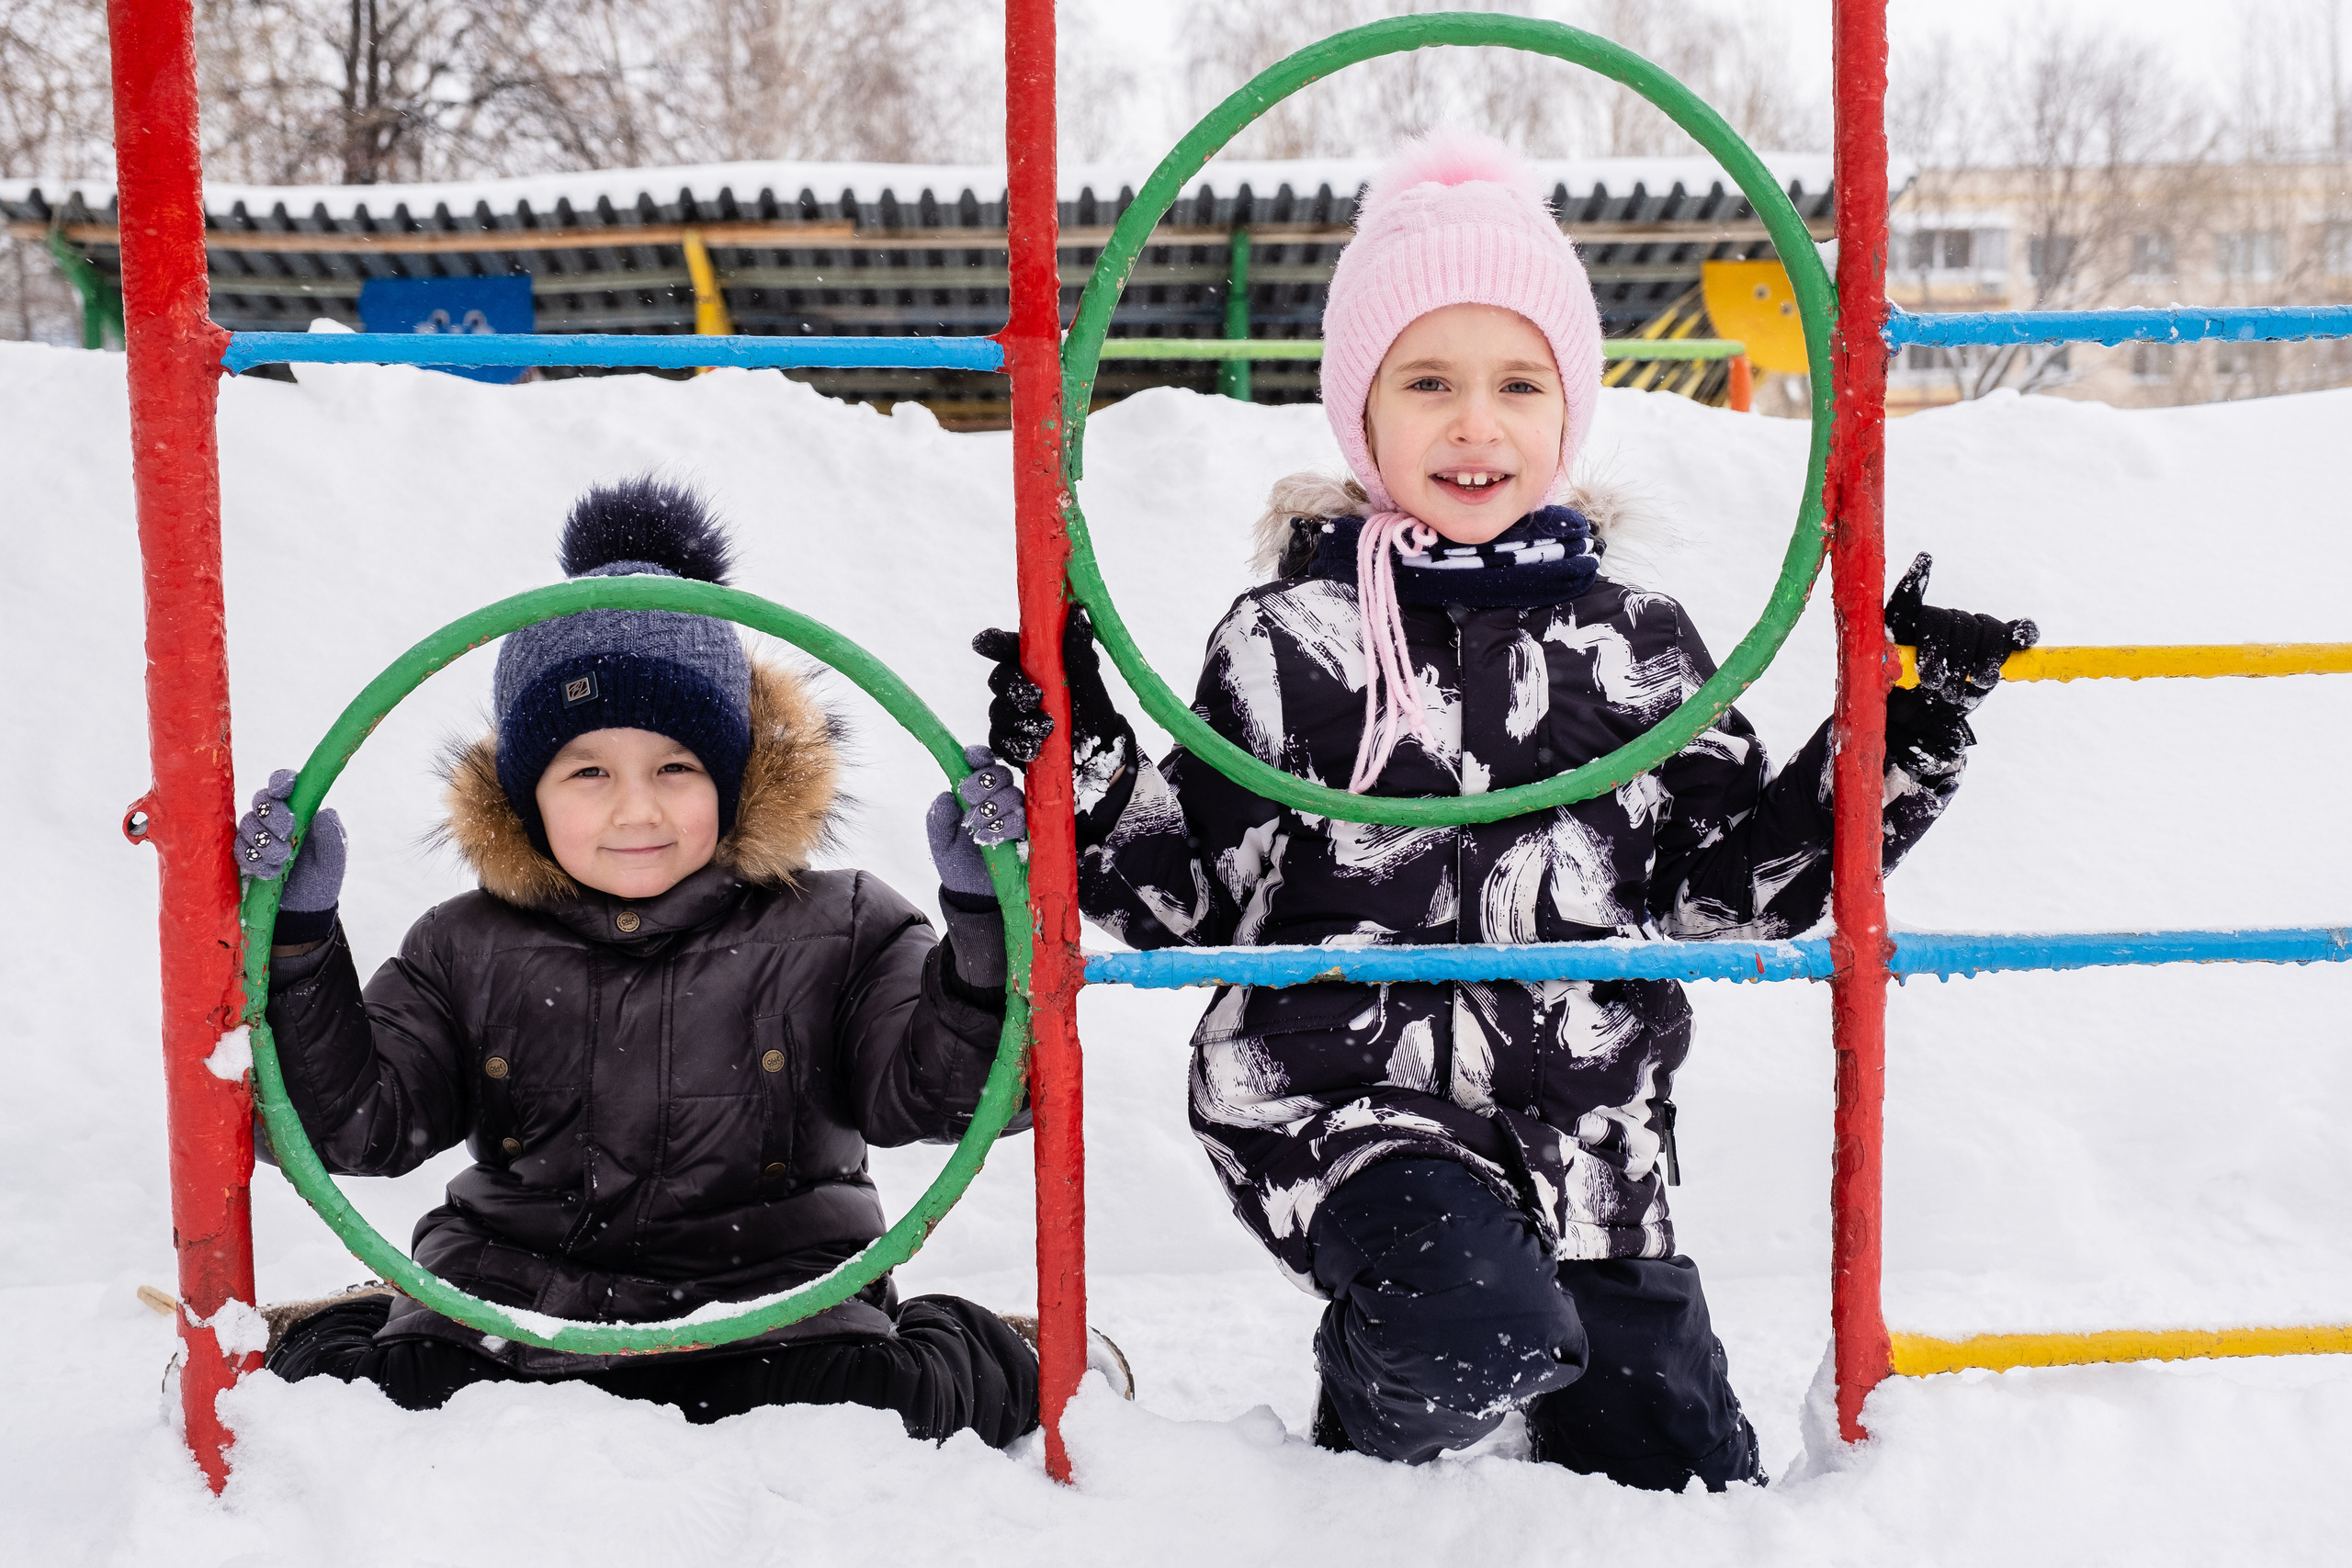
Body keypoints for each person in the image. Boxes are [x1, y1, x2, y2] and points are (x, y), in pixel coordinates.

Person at [976, 130, 2034, 1484]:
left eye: (1518, 383)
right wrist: (1092, 757)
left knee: (1681, 1480)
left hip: (1591, 1140)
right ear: (1362, 413)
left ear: (1568, 410)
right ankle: (1360, 1465)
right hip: (1346, 1105)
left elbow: (1739, 886)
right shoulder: (1288, 640)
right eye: (1428, 381)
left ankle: (1491, 1387)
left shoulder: (1640, 641)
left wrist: (1907, 719)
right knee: (1473, 1325)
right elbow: (1186, 900)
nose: (1476, 422)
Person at [239, 476, 1125, 1445]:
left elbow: (950, 1095)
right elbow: (355, 1128)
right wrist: (298, 939)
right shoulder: (467, 942)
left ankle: (1002, 1345)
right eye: (588, 772)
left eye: (676, 768)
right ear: (527, 794)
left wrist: (983, 921)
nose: (636, 811)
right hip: (515, 1304)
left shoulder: (840, 922)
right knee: (393, 1394)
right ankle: (347, 1321)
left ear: (737, 780)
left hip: (774, 1302)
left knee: (878, 1406)